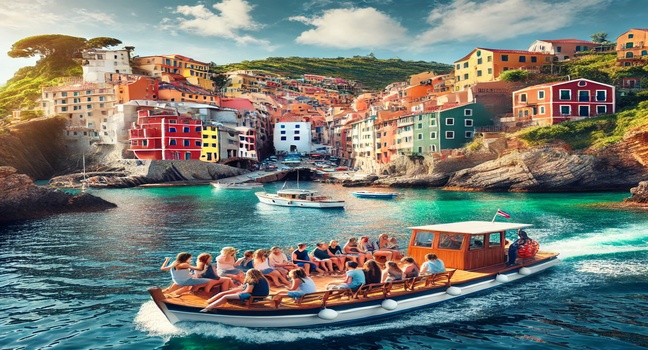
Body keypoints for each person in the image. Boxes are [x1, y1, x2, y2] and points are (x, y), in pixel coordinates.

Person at [200, 269, 270, 312]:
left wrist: (240, 292)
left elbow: (249, 291)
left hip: (252, 297)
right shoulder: (263, 279)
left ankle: (208, 308)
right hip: (260, 296)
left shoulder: (252, 281)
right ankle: (211, 304)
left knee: (225, 296)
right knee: (228, 294)